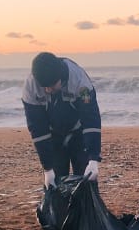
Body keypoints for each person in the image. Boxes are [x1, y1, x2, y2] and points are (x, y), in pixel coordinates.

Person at [22, 52, 103, 188]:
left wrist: (93, 159)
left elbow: (91, 120)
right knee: (55, 183)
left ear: (61, 77)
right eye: (44, 87)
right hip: (53, 134)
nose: (48, 90)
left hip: (79, 132)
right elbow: (38, 129)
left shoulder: (80, 82)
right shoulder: (30, 87)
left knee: (86, 180)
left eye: (52, 86)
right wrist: (47, 169)